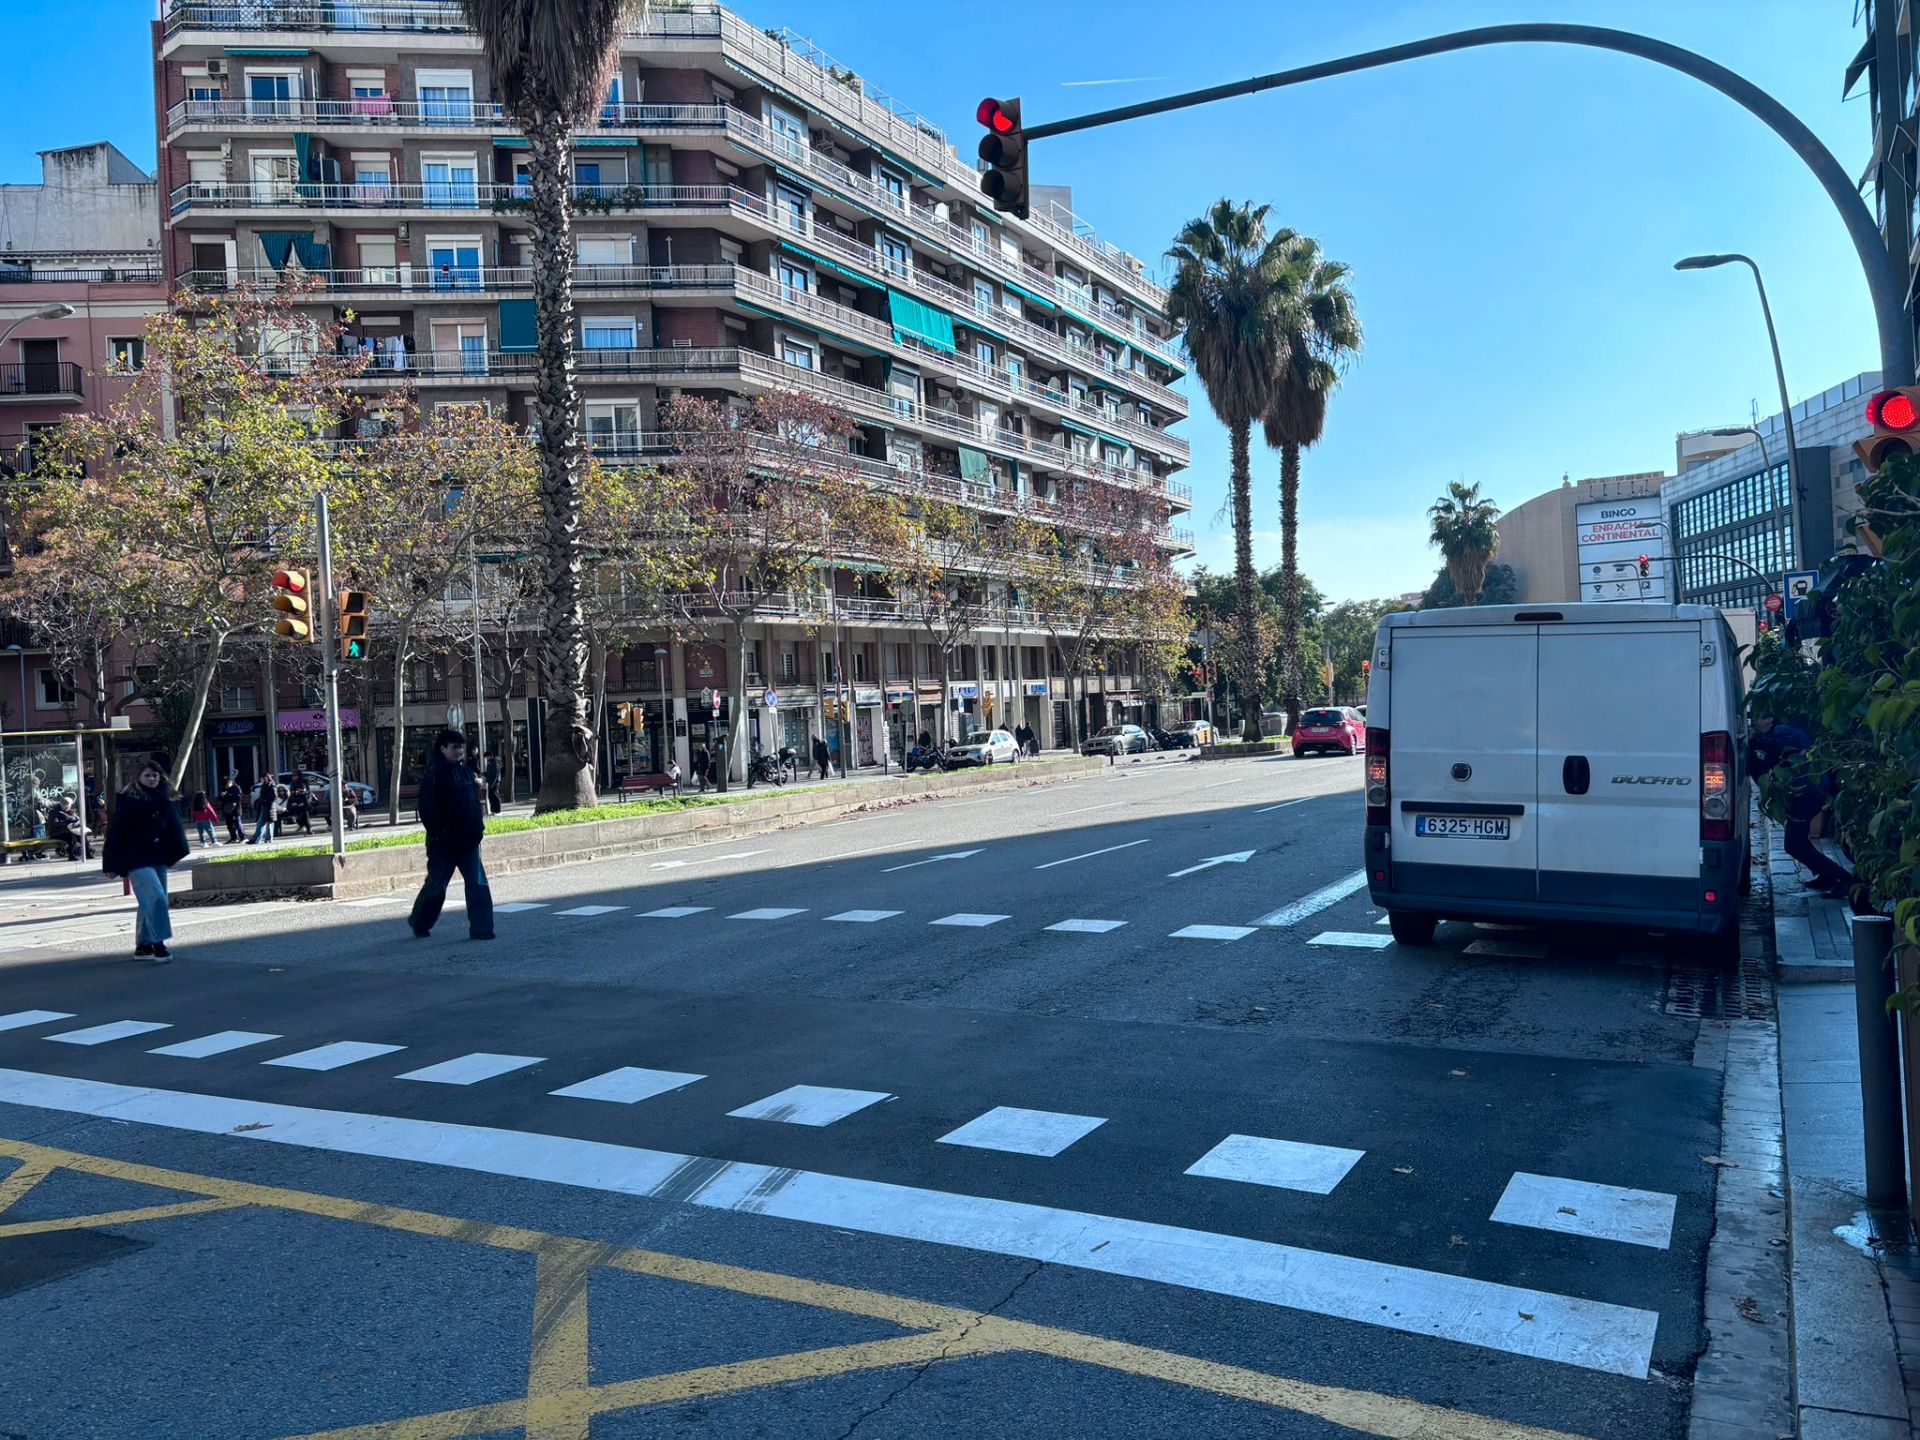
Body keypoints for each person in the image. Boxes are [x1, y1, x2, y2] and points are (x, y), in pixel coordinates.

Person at [1750, 715, 1856, 897]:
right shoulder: (1778, 735)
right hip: (1806, 794)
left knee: (1794, 844)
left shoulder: (1785, 732)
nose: (1753, 725)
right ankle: (1827, 876)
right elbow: (1762, 772)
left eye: (1756, 721)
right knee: (1796, 842)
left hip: (1808, 794)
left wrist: (1754, 741)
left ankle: (1845, 880)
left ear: (1769, 721)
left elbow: (1777, 747)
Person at [408, 728, 495, 941]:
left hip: (468, 841)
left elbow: (474, 804)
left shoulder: (465, 771)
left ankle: (482, 930)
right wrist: (440, 833)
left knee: (478, 885)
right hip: (443, 844)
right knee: (436, 886)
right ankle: (420, 921)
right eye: (454, 747)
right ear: (443, 748)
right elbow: (427, 809)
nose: (459, 751)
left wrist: (478, 829)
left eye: (461, 747)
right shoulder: (435, 774)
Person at [101, 758, 188, 962]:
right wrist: (110, 864)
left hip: (158, 856)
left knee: (151, 900)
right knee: (156, 897)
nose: (151, 778)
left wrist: (176, 851)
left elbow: (174, 829)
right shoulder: (128, 800)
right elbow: (115, 833)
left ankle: (143, 945)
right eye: (147, 775)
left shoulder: (165, 799)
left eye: (155, 775)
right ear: (138, 778)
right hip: (136, 858)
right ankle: (158, 944)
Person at [45, 797, 90, 862]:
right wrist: (67, 823)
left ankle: (88, 853)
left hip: (68, 830)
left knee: (81, 835)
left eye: (69, 806)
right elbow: (54, 824)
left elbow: (76, 819)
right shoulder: (54, 812)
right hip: (57, 833)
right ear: (63, 805)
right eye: (68, 806)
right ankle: (72, 855)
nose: (69, 807)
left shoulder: (70, 811)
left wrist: (77, 821)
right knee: (72, 836)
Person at [248, 775, 277, 844]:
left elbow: (274, 796)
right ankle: (257, 839)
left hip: (269, 807)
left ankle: (265, 839)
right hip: (264, 806)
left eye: (262, 778)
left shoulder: (271, 786)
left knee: (267, 824)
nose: (261, 780)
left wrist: (265, 799)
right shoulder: (264, 786)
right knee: (261, 823)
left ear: (266, 778)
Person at [219, 775, 246, 844]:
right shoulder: (224, 788)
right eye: (225, 785)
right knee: (229, 825)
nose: (226, 786)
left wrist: (228, 795)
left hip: (235, 809)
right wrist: (222, 796)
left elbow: (238, 797)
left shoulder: (236, 787)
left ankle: (243, 837)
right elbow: (220, 798)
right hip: (227, 809)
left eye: (227, 784)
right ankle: (234, 838)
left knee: (237, 823)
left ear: (230, 782)